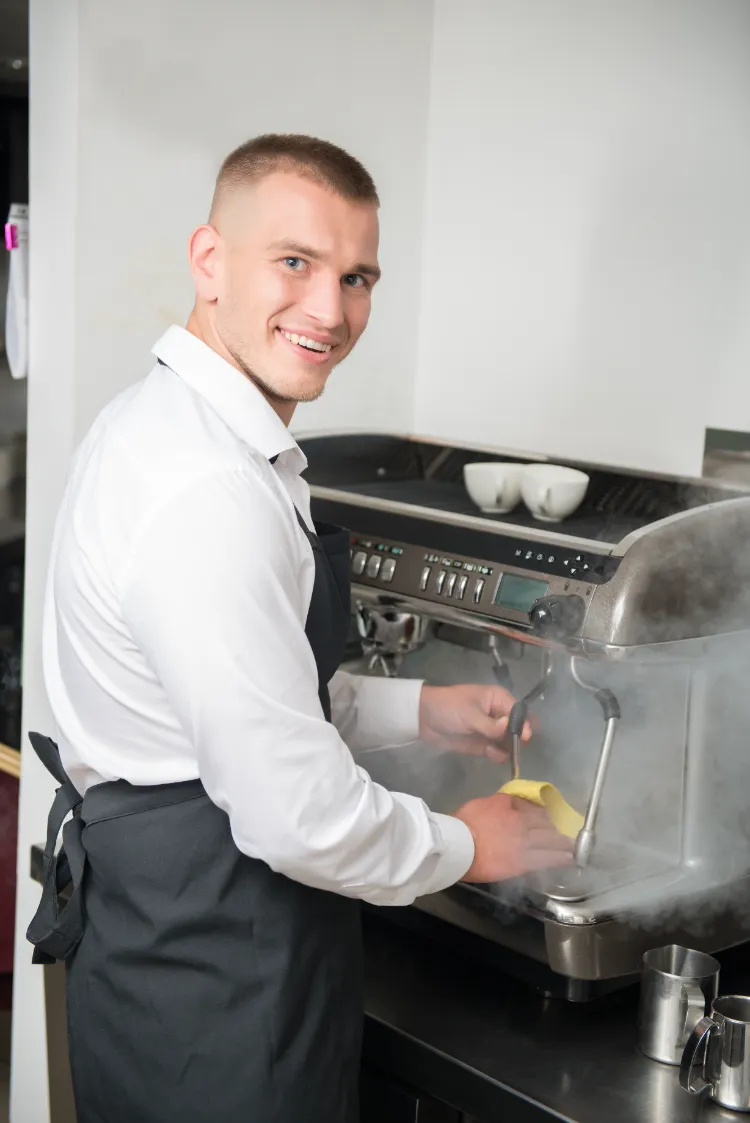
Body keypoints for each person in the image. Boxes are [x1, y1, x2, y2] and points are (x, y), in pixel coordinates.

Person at [27, 134, 573, 1123]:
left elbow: (244, 696)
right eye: (296, 262)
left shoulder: (168, 426)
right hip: (223, 995)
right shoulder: (210, 492)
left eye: (357, 276)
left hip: (167, 963)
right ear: (210, 260)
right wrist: (466, 843)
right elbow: (294, 815)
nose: (329, 310)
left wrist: (426, 707)